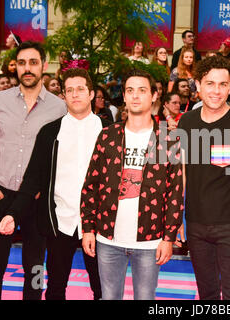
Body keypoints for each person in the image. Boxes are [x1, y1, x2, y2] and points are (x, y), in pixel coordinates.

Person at [0, 68, 107, 300]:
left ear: (91, 94)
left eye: (80, 89)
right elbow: (32, 179)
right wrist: (13, 214)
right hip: (60, 222)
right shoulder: (49, 132)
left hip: (99, 225)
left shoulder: (109, 131)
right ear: (63, 96)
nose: (75, 94)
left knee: (104, 289)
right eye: (69, 90)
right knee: (56, 287)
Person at [81, 68, 184, 300]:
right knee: (108, 297)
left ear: (154, 96)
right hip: (107, 238)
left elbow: (175, 192)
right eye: (130, 90)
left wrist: (168, 238)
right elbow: (91, 185)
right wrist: (88, 228)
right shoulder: (107, 135)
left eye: (142, 90)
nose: (135, 96)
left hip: (150, 240)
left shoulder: (169, 139)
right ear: (124, 97)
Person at [0, 41, 67, 300]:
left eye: (33, 62)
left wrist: (44, 191)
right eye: (22, 63)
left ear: (43, 66)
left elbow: (59, 156)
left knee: (36, 268)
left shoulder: (59, 108)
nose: (27, 68)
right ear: (14, 66)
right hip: (0, 196)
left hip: (37, 201)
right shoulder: (0, 100)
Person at [177, 55, 230, 300]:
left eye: (223, 84)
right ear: (198, 85)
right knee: (207, 295)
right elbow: (181, 174)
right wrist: (177, 215)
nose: (216, 90)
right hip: (195, 224)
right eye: (210, 84)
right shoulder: (187, 122)